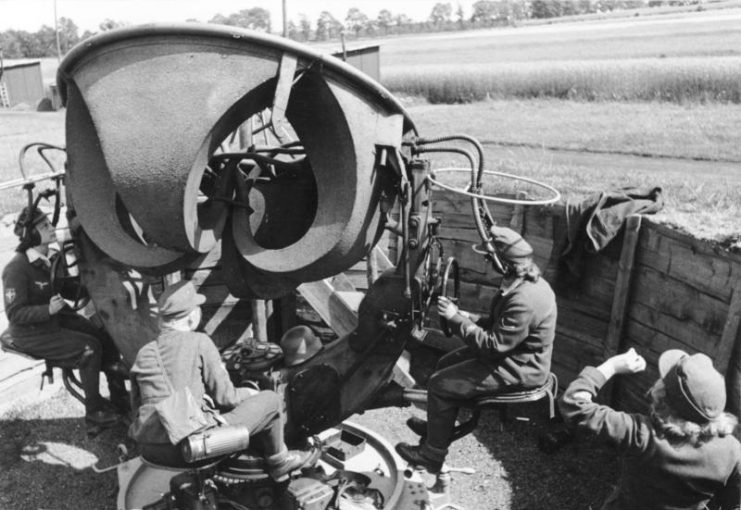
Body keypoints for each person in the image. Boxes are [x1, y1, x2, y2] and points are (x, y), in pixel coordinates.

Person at [396, 226, 557, 472]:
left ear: (505, 263)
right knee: (444, 365)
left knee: (440, 384)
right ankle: (438, 430)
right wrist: (465, 315)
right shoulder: (519, 284)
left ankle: (432, 454)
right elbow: (498, 326)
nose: (485, 262)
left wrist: (456, 320)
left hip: (519, 369)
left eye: (489, 258)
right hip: (511, 356)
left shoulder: (524, 299)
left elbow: (493, 345)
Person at [129, 280, 314, 481]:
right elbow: (227, 398)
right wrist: (250, 392)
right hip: (191, 449)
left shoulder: (144, 352)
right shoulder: (199, 341)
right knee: (271, 400)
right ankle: (279, 461)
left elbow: (136, 405)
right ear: (192, 317)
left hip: (149, 449)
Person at [559, 348, 740, 510]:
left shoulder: (640, 433)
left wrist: (612, 365)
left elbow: (574, 403)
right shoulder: (733, 453)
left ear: (662, 397)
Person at [1, 206, 126, 426]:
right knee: (89, 348)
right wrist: (46, 310)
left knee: (105, 337)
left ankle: (119, 397)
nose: (51, 228)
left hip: (57, 318)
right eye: (45, 226)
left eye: (50, 223)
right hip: (32, 333)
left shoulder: (53, 257)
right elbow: (15, 314)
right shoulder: (17, 269)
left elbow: (65, 289)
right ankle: (94, 412)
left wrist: (93, 286)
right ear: (31, 234)